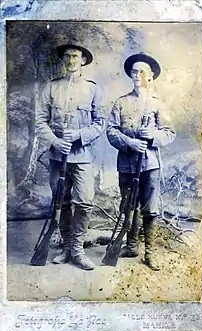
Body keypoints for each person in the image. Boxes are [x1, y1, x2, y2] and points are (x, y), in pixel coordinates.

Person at [35, 39, 105, 270]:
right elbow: (40, 120)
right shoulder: (51, 87)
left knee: (84, 202)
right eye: (67, 56)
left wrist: (77, 136)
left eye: (75, 56)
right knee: (62, 202)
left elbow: (99, 123)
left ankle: (77, 249)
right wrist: (55, 141)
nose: (71, 60)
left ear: (83, 60)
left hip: (82, 155)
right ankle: (66, 248)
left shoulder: (92, 89)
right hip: (57, 157)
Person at [107, 53, 176, 271]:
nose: (138, 75)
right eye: (134, 71)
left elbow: (169, 132)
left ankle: (150, 253)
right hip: (127, 163)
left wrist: (152, 135)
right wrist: (130, 143)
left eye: (143, 71)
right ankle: (131, 245)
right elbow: (111, 130)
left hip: (149, 164)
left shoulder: (158, 104)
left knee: (150, 208)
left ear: (152, 76)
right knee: (128, 205)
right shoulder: (121, 102)